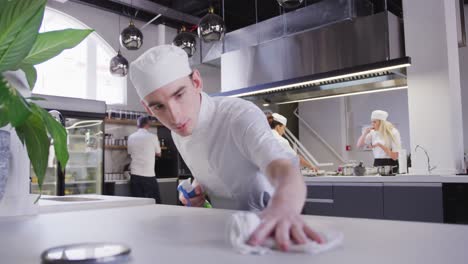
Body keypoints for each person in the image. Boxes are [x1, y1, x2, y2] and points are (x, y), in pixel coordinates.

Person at [129, 45, 322, 251]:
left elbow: (281, 167)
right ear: (147, 107)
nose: (174, 117)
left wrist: (284, 205)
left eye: (179, 95)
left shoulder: (239, 115)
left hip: (278, 228)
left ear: (196, 82)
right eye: (159, 106)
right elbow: (212, 171)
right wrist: (196, 193)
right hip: (230, 236)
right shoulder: (179, 133)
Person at [127, 116, 162, 203]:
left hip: (135, 175)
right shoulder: (152, 137)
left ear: (137, 125)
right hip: (148, 175)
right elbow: (159, 153)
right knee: (155, 203)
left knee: (137, 203)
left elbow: (130, 153)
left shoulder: (131, 137)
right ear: (148, 124)